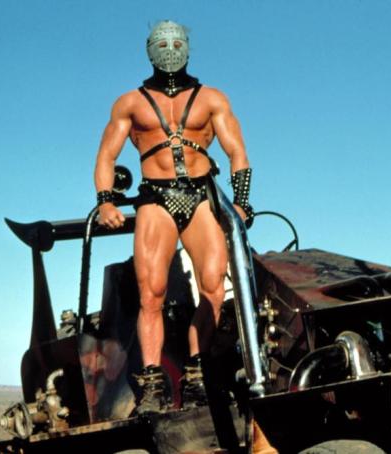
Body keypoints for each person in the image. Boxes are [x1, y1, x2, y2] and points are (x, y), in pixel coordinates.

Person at [93, 20, 253, 415]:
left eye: (177, 43)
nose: (170, 50)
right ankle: (152, 383)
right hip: (155, 199)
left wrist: (241, 202)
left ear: (188, 47)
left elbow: (237, 152)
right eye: (162, 43)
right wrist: (106, 202)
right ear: (149, 48)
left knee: (213, 289)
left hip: (201, 196)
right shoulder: (130, 103)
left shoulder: (211, 98)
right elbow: (106, 156)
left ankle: (196, 374)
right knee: (152, 293)